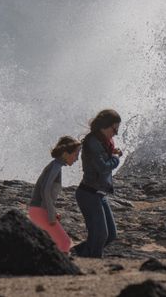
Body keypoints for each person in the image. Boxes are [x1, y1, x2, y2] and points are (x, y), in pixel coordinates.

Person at [74, 109, 122, 258]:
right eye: (115, 129)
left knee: (110, 235)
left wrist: (112, 153)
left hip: (99, 194)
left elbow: (103, 160)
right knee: (100, 235)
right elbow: (102, 167)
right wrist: (114, 157)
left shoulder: (103, 141)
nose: (115, 133)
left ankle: (74, 254)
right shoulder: (93, 142)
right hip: (88, 194)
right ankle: (93, 262)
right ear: (105, 126)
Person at [29, 136, 82, 253]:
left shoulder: (55, 165)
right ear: (65, 153)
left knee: (52, 243)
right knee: (65, 243)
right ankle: (61, 269)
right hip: (39, 210)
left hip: (38, 209)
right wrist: (51, 213)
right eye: (76, 154)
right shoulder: (56, 166)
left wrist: (51, 210)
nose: (77, 158)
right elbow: (45, 189)